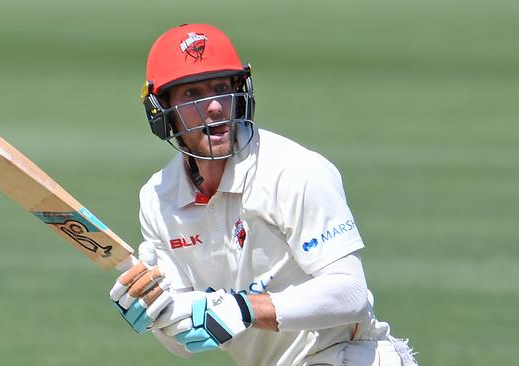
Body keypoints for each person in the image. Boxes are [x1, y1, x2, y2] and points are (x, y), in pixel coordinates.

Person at [109, 23, 418, 366]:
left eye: (221, 87)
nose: (213, 106)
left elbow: (350, 293)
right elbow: (189, 341)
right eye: (192, 94)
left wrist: (244, 309)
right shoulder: (158, 198)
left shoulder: (295, 171)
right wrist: (155, 314)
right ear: (162, 110)